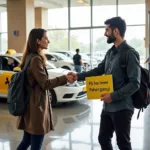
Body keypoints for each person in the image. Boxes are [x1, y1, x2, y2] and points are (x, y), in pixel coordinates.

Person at [68, 17, 141, 150]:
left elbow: (135, 83)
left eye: (107, 30)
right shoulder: (110, 52)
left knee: (123, 143)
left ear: (116, 31)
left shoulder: (130, 53)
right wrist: (78, 76)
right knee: (103, 139)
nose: (105, 33)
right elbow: (99, 70)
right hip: (108, 108)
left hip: (123, 107)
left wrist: (112, 96)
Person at [16, 28, 74, 150]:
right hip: (36, 109)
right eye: (45, 38)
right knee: (35, 144)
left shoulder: (30, 57)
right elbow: (45, 84)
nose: (48, 41)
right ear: (38, 41)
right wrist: (64, 78)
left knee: (26, 141)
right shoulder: (36, 60)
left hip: (30, 106)